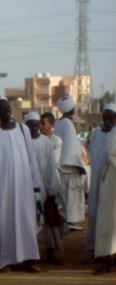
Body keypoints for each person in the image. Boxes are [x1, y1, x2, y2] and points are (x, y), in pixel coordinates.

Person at [0, 99, 42, 272]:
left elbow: (30, 157)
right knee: (5, 223)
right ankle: (7, 261)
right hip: (3, 187)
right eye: (2, 109)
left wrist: (35, 183)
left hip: (24, 185)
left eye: (7, 108)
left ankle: (30, 260)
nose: (6, 111)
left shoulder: (23, 129)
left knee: (27, 221)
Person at [24, 112, 62, 264]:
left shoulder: (46, 142)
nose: (34, 127)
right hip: (26, 189)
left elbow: (51, 167)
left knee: (46, 223)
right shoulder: (22, 141)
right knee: (30, 222)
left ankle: (50, 253)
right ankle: (32, 256)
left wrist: (52, 190)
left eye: (36, 124)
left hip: (43, 189)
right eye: (31, 125)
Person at [54, 95, 86, 233]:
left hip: (60, 163)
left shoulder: (58, 122)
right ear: (71, 108)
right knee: (71, 194)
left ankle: (66, 221)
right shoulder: (67, 124)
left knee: (64, 195)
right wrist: (78, 166)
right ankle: (70, 221)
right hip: (69, 165)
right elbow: (72, 147)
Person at [87, 104, 116, 257]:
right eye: (106, 117)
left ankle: (108, 251)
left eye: (111, 117)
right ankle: (93, 247)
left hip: (111, 180)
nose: (108, 120)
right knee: (93, 212)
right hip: (97, 178)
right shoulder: (96, 134)